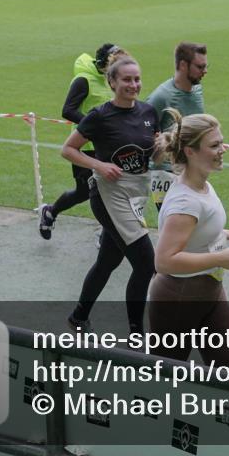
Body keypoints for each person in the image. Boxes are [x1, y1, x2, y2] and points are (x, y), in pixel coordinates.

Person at [61, 56, 158, 336]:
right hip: (108, 195)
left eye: (137, 79)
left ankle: (78, 316)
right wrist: (99, 165)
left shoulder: (149, 112)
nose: (133, 84)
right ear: (112, 82)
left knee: (107, 260)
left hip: (136, 195)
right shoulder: (100, 115)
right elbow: (68, 150)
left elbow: (153, 152)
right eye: (126, 79)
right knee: (145, 263)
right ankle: (137, 333)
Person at [147, 109, 229, 365]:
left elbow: (195, 228)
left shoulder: (202, 184)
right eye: (214, 145)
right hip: (179, 298)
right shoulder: (185, 201)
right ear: (191, 152)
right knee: (165, 383)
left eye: (221, 142)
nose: (222, 149)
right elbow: (165, 261)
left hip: (210, 291)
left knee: (226, 373)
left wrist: (222, 234)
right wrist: (220, 257)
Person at [37, 43, 127, 240]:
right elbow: (68, 110)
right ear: (106, 62)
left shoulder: (111, 81)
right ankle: (50, 212)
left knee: (109, 190)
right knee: (85, 191)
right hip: (83, 147)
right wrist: (93, 128)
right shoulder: (83, 80)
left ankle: (106, 234)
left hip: (106, 146)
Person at [146, 42, 208, 211]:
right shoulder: (161, 96)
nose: (205, 71)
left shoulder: (197, 89)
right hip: (167, 175)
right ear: (182, 65)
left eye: (206, 66)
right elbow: (143, 131)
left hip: (192, 169)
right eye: (200, 67)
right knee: (175, 227)